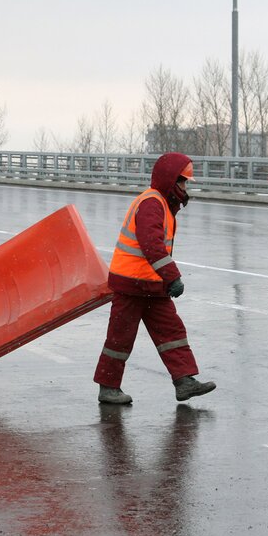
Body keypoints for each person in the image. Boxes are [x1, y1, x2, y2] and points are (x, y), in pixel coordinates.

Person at [93, 152, 216, 405]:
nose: (184, 188)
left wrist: (165, 280)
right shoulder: (152, 203)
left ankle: (184, 381)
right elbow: (152, 245)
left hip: (151, 285)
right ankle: (108, 388)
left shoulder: (162, 203)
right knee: (120, 338)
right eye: (182, 182)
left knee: (171, 331)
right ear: (171, 180)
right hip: (131, 283)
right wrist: (172, 277)